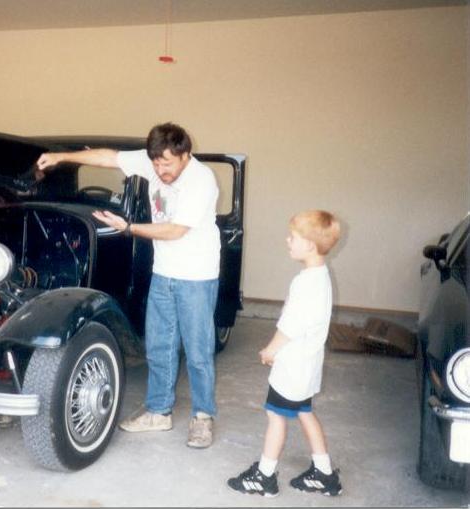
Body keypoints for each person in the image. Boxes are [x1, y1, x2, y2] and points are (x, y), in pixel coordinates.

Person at [36, 122, 221, 448]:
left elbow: (176, 230)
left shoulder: (201, 179)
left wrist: (128, 227)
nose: (160, 171)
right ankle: (158, 412)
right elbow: (108, 157)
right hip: (164, 272)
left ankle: (203, 417)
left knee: (197, 352)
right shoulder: (153, 163)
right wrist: (60, 157)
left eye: (167, 164)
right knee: (159, 346)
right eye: (156, 164)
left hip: (197, 275)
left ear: (185, 154)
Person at [227, 210, 342, 498]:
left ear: (310, 245)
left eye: (293, 237)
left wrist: (270, 350)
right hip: (308, 365)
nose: (287, 240)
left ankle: (265, 477)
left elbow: (290, 326)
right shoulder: (321, 276)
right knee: (304, 412)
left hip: (292, 366)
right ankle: (324, 473)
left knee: (275, 416)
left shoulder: (305, 283)